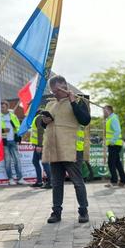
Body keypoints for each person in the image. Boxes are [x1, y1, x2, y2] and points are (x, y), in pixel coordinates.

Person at [41, 75, 91, 224]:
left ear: (64, 86)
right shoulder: (50, 104)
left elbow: (85, 120)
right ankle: (56, 212)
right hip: (54, 149)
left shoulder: (78, 101)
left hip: (71, 149)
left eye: (57, 90)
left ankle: (83, 211)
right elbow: (44, 125)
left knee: (77, 181)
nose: (54, 93)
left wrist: (73, 102)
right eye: (52, 91)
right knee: (56, 183)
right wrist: (44, 121)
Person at [0, 101, 25, 185]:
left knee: (17, 160)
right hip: (4, 142)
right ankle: (10, 179)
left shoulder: (13, 116)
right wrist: (3, 130)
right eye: (1, 107)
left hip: (13, 141)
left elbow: (18, 127)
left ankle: (20, 178)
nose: (1, 108)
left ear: (7, 107)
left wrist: (19, 137)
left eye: (3, 107)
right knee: (8, 161)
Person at [104, 104, 125, 186]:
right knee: (117, 163)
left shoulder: (113, 119)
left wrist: (112, 141)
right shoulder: (110, 119)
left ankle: (114, 181)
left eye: (104, 110)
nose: (103, 112)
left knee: (111, 163)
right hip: (114, 144)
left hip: (114, 144)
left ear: (109, 110)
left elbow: (117, 131)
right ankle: (123, 180)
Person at [30, 112, 51, 188]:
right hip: (39, 144)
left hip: (40, 144)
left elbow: (40, 131)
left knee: (45, 163)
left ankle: (50, 182)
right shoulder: (38, 118)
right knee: (35, 161)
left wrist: (39, 145)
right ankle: (39, 181)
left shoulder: (39, 118)